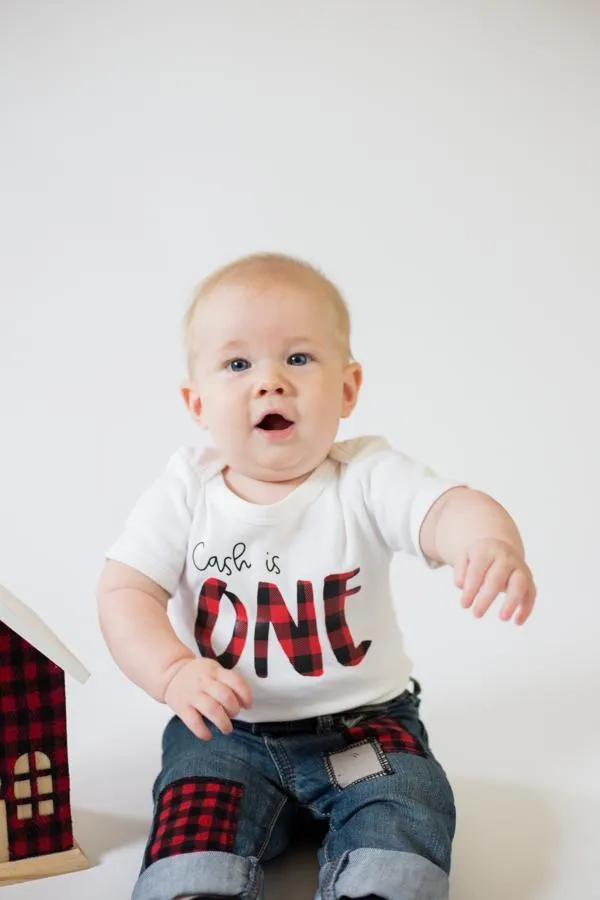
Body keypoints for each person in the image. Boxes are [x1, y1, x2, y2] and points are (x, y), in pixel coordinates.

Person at [97, 252, 536, 900]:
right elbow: (124, 591)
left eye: (298, 358)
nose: (270, 382)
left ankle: (379, 883)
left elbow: (444, 508)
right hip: (227, 733)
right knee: (193, 819)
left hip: (364, 724)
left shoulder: (365, 476)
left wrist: (488, 540)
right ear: (197, 403)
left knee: (406, 800)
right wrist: (172, 671)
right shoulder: (185, 492)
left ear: (349, 389)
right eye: (238, 364)